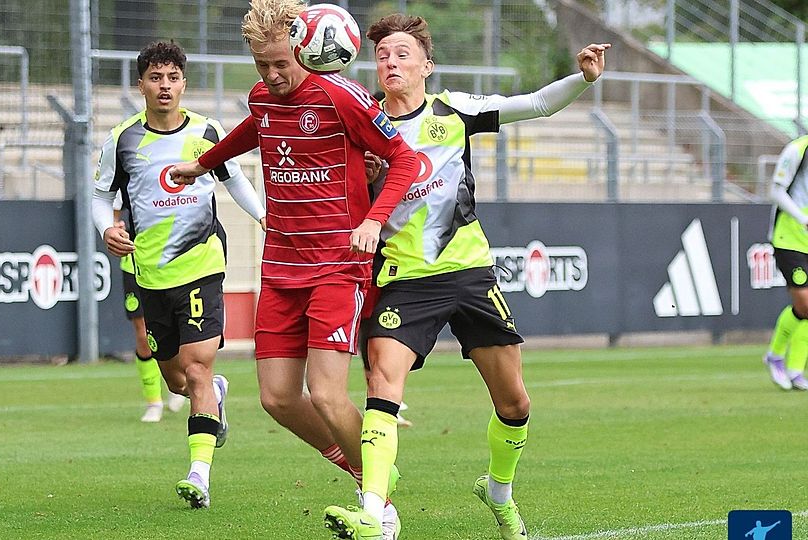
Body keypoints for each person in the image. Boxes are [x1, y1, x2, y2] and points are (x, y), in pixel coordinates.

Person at [323, 14, 609, 540]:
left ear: (427, 65)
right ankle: (371, 510)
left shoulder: (454, 110)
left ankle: (498, 491)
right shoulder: (362, 127)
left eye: (402, 53)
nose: (391, 61)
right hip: (403, 278)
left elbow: (537, 104)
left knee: (515, 402)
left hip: (471, 274)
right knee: (381, 384)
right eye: (383, 54)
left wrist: (584, 78)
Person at [170, 0, 419, 535]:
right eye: (262, 65)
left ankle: (379, 505)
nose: (272, 75)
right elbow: (253, 128)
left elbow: (406, 160)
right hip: (280, 266)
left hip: (337, 265)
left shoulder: (340, 96)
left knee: (327, 393)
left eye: (281, 63)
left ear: (306, 48)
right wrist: (205, 164)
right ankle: (366, 468)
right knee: (277, 399)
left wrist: (375, 219)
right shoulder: (264, 96)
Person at [91, 41, 266, 509]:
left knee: (197, 366)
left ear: (184, 82)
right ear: (141, 83)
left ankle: (199, 474)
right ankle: (216, 395)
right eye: (155, 78)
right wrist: (106, 227)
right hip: (150, 272)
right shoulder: (123, 139)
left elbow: (235, 181)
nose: (164, 86)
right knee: (176, 379)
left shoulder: (208, 131)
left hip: (202, 265)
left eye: (172, 78)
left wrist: (267, 219)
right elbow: (99, 195)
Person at [113, 191, 187, 422]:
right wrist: (116, 229)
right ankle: (153, 401)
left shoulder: (171, 177)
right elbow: (112, 215)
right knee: (143, 334)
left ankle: (182, 380)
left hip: (171, 261)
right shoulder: (126, 175)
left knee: (176, 328)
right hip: (134, 263)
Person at [764, 134, 808, 391]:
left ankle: (795, 369)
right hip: (788, 237)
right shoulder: (797, 150)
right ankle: (776, 354)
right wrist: (801, 218)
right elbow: (775, 191)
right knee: (804, 303)